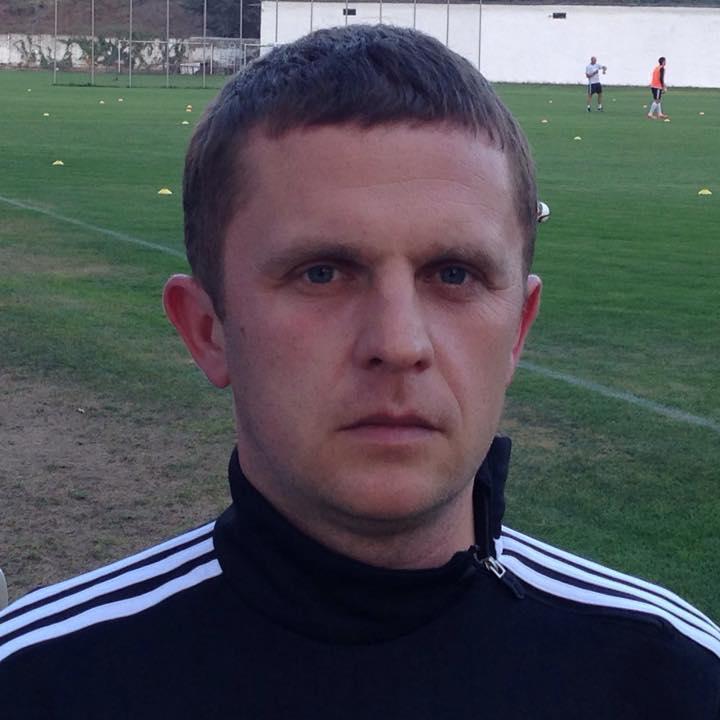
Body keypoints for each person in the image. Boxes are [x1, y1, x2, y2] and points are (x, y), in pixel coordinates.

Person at [1, 25, 719, 718]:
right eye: (322, 273)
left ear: (518, 331)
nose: (399, 344)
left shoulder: (677, 679)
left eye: (454, 274)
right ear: (208, 330)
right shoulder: (35, 683)